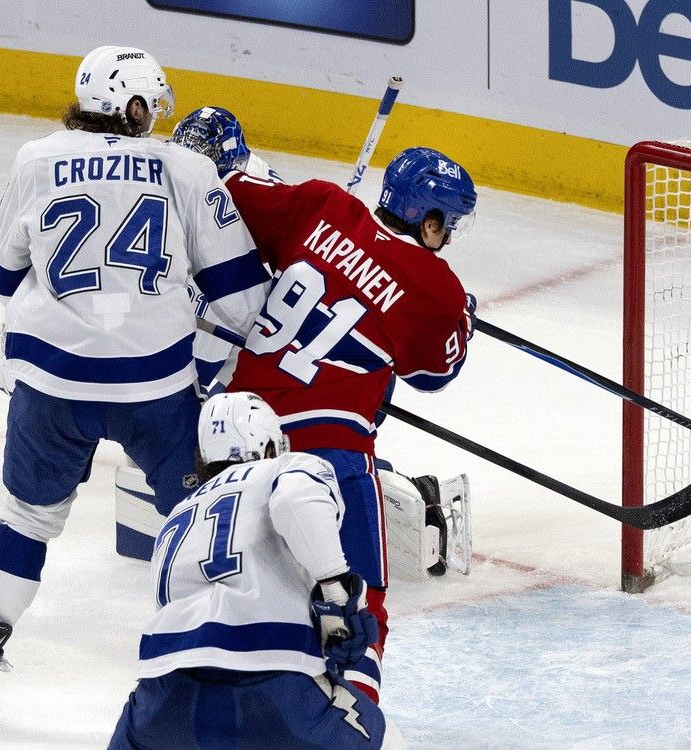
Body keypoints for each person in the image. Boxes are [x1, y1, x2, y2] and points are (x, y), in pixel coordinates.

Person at [0, 47, 268, 729]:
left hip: (51, 384)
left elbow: (2, 276)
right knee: (200, 517)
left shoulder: (36, 159)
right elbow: (243, 302)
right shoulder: (184, 167)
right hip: (154, 387)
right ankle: (226, 667)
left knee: (27, 518)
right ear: (133, 105)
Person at [171, 106, 478, 703]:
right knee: (361, 608)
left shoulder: (322, 204)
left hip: (237, 436)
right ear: (429, 220)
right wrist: (463, 318)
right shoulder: (437, 288)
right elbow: (434, 374)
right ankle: (352, 722)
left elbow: (230, 202)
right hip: (330, 452)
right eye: (448, 224)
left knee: (238, 593)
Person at [108, 392, 402, 749]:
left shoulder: (178, 515)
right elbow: (296, 499)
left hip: (162, 693)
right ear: (269, 445)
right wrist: (335, 588)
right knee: (385, 739)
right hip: (269, 676)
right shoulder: (285, 468)